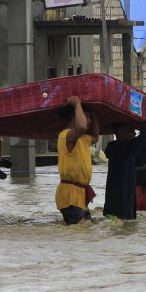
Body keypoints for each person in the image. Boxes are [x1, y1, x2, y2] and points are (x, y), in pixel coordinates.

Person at [103, 96, 146, 219]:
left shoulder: (129, 152)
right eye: (131, 130)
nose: (134, 134)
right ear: (121, 132)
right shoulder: (119, 149)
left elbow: (142, 160)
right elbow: (142, 138)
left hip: (127, 206)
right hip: (116, 209)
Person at [55, 96, 100, 225]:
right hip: (70, 194)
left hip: (80, 193)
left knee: (86, 230)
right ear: (76, 117)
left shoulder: (83, 139)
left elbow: (96, 137)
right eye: (87, 117)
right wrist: (77, 103)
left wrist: (95, 114)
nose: (90, 121)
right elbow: (82, 127)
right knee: (81, 231)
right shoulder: (66, 135)